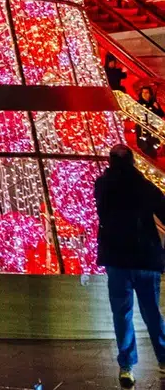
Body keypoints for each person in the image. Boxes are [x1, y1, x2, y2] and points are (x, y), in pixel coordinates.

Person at [95, 144, 165, 388]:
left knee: (122, 315)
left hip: (117, 259)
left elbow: (102, 212)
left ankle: (126, 366)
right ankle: (164, 359)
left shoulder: (103, 185)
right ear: (133, 161)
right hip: (146, 258)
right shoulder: (144, 186)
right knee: (152, 313)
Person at [137, 86, 163, 158]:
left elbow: (161, 114)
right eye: (143, 92)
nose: (144, 94)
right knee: (144, 149)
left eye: (146, 92)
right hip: (143, 130)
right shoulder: (138, 103)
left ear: (150, 94)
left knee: (152, 151)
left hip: (153, 130)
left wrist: (157, 107)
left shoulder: (154, 103)